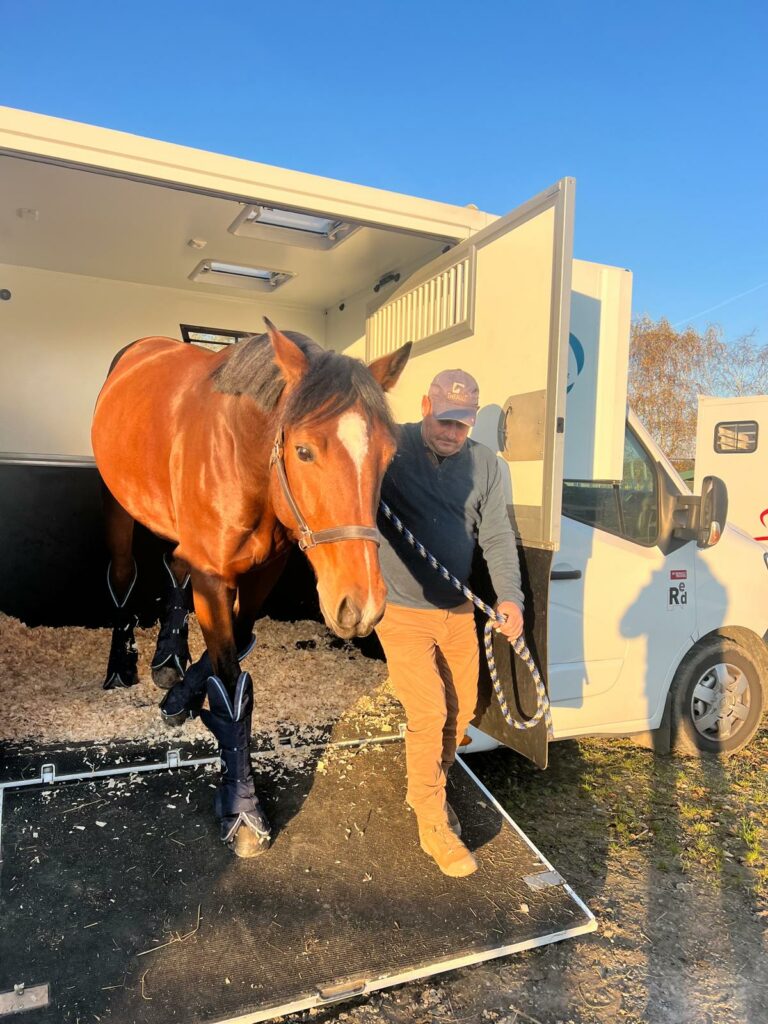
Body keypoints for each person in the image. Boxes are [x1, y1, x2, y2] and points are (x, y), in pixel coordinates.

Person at [376, 368, 524, 878]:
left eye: (462, 424)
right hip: (401, 610)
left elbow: (498, 536)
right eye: (445, 420)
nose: (452, 432)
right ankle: (432, 819)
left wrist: (511, 597)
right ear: (424, 405)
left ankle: (428, 787)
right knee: (429, 710)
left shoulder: (485, 464)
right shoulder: (389, 446)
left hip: (458, 608)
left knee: (462, 712)